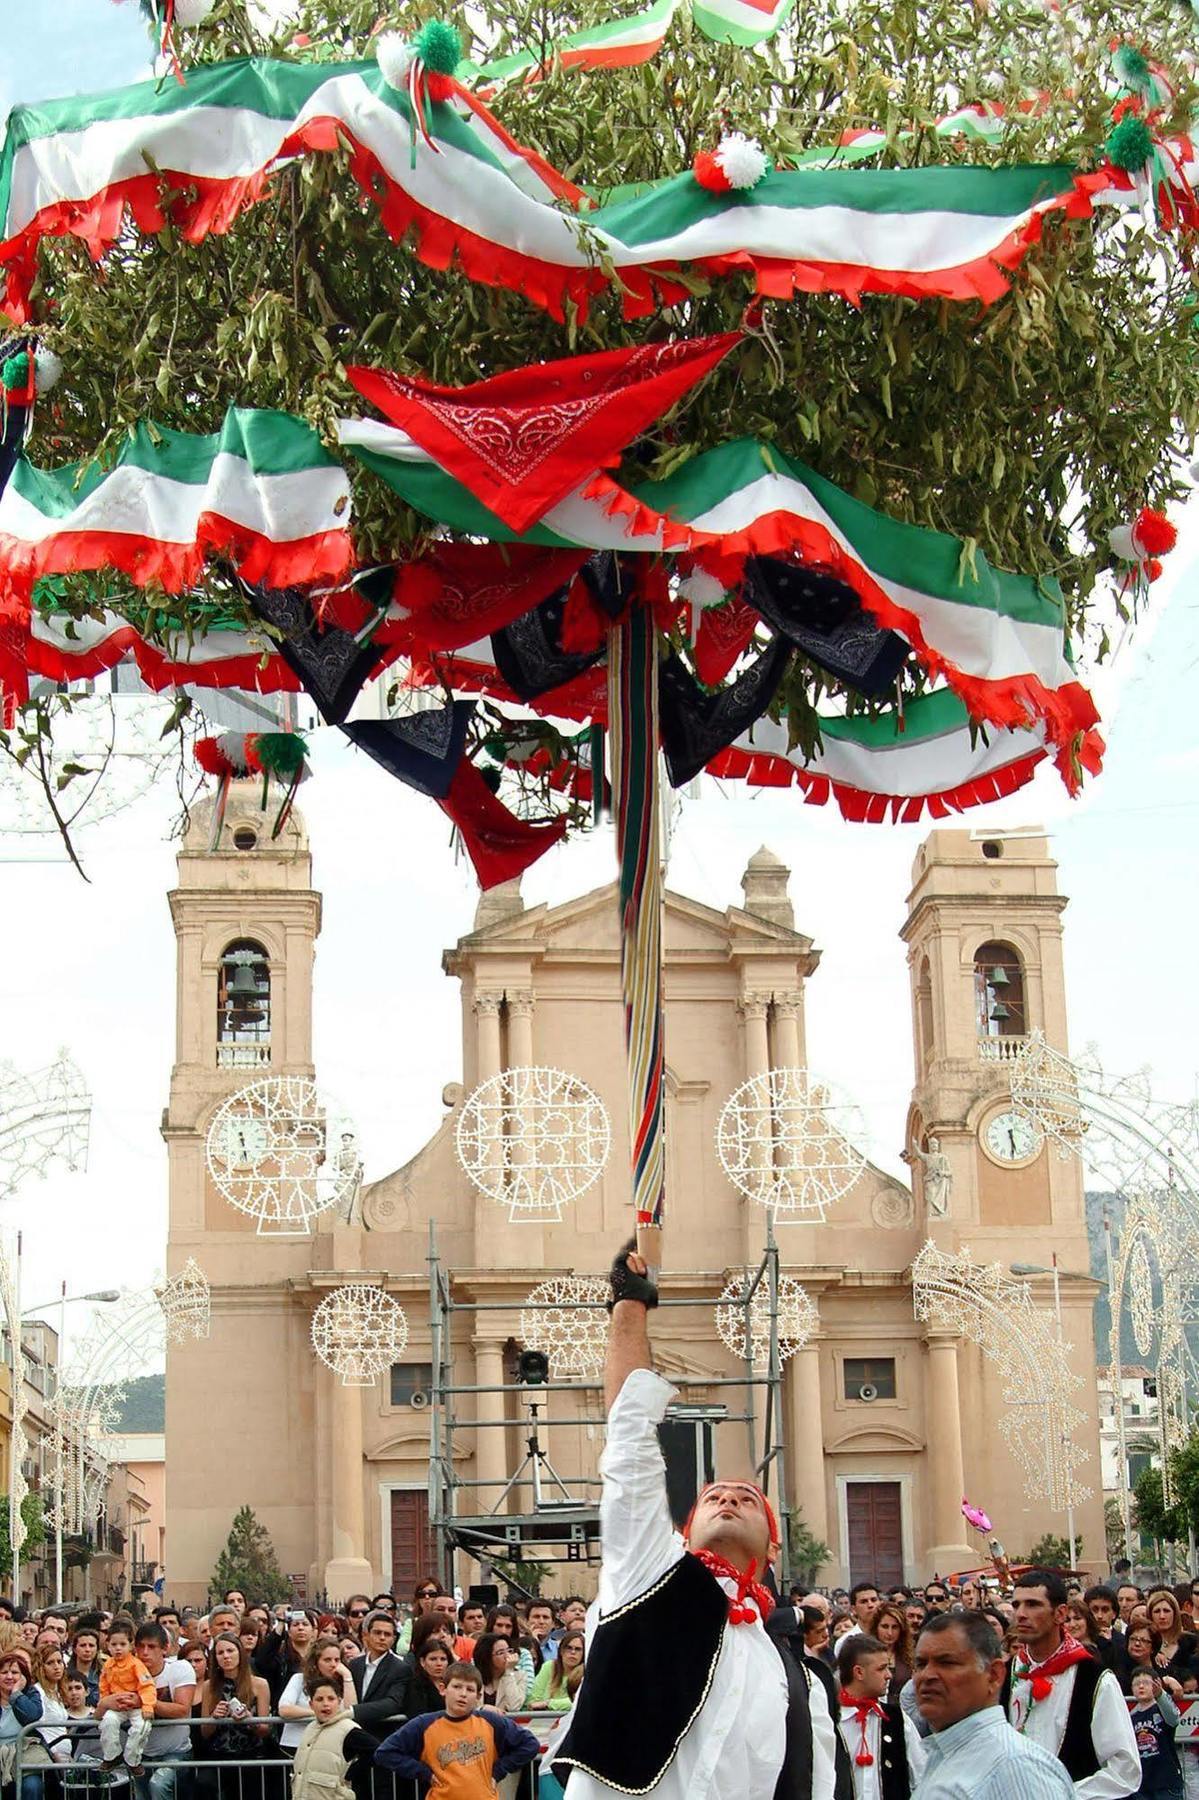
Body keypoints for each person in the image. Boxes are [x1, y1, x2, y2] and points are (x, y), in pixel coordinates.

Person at [551, 1238, 837, 1800]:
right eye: (714, 1497)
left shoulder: (799, 1678)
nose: (729, 1499)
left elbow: (817, 1783)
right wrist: (629, 1307)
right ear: (683, 1533)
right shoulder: (648, 1573)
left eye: (747, 1498)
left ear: (773, 1550)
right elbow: (630, 1436)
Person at [1003, 1568, 1139, 1795]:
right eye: (1016, 1605)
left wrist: (1063, 1794)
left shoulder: (1095, 1679)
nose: (1021, 1614)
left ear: (1060, 1614)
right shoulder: (1003, 1677)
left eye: (1033, 1605)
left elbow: (1125, 1769)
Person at [912, 1612, 1074, 1800]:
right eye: (921, 1664)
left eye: (947, 1663)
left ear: (994, 1675)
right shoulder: (941, 1754)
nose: (927, 1675)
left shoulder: (1015, 1767)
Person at [374, 1660, 539, 1797]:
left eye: (470, 1689)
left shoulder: (491, 1722)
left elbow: (530, 1744)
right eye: (457, 1687)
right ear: (443, 1689)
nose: (463, 1694)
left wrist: (498, 1771)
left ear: (478, 1696)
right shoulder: (423, 1724)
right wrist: (423, 1772)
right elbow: (385, 1752)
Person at [837, 1635, 925, 1800]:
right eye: (881, 1668)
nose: (888, 1675)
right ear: (859, 1672)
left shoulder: (897, 1719)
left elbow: (921, 1776)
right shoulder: (831, 1721)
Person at [195, 1633, 270, 1800]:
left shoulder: (259, 1684)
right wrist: (214, 1718)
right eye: (220, 1653)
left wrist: (250, 1720)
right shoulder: (209, 1686)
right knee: (204, 1784)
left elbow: (265, 1730)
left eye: (230, 1650)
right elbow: (204, 1732)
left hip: (250, 1755)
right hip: (219, 1756)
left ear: (240, 1654)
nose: (226, 1656)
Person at [132, 1620, 196, 1800]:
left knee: (158, 1785)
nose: (145, 1652)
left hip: (176, 1752)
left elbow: (182, 1709)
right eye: (141, 1646)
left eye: (151, 1646)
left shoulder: (179, 1668)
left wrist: (145, 1701)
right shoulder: (128, 1673)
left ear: (165, 1648)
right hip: (140, 1752)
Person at [291, 1676, 375, 1800]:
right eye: (319, 1699)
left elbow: (377, 1750)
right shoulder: (310, 1728)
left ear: (339, 1702)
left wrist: (349, 1775)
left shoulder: (348, 1729)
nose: (326, 1704)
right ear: (311, 1704)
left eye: (331, 1699)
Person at [98, 1615, 156, 1775]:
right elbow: (103, 1686)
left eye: (122, 1644)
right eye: (114, 1644)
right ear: (107, 1645)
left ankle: (133, 1760)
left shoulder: (136, 1664)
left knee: (142, 1727)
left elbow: (147, 1685)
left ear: (131, 1646)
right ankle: (112, 1756)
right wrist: (105, 1702)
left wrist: (147, 1705)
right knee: (108, 1722)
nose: (118, 1648)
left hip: (135, 1704)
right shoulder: (108, 1665)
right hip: (117, 1705)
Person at [280, 1639, 356, 1755]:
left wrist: (347, 1676)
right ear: (316, 1662)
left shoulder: (345, 1683)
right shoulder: (299, 1679)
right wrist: (318, 1713)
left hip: (329, 1748)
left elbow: (350, 1711)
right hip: (295, 1746)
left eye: (337, 1660)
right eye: (327, 1660)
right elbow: (284, 1709)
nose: (333, 1664)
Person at [347, 1610, 408, 1740]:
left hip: (382, 1736)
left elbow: (393, 1703)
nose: (382, 1638)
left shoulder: (400, 1668)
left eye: (387, 1634)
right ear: (366, 1635)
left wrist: (353, 1711)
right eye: (377, 1632)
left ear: (394, 1639)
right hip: (352, 1734)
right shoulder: (354, 1664)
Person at [1127, 1671, 1185, 1800]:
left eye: (1146, 1683)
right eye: (1136, 1684)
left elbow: (1174, 1718)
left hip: (1166, 1782)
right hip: (1142, 1784)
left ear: (1156, 1684)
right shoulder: (1130, 1717)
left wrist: (1160, 1695)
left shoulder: (1162, 1709)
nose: (1141, 1686)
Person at [528, 1632, 584, 1713]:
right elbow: (533, 1700)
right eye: (569, 1648)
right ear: (561, 1651)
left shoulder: (586, 1672)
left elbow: (578, 1701)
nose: (573, 1652)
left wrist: (548, 1704)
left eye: (578, 1649)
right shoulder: (549, 1666)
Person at [471, 1635, 526, 1714]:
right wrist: (482, 1708)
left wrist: (509, 1671)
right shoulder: (473, 1677)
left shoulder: (520, 1676)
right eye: (500, 1653)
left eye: (509, 1651)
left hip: (504, 1724)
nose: (507, 1656)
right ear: (487, 1657)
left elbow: (514, 1707)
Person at [871, 1608, 914, 1703]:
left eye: (895, 1627)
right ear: (876, 1627)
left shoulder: (908, 1656)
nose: (889, 1633)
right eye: (885, 1626)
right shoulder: (867, 1654)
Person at [400, 1642, 451, 1720]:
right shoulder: (414, 1685)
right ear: (422, 1662)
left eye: (443, 1659)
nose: (439, 1664)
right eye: (433, 1659)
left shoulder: (453, 1684)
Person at [1146, 1596, 1197, 1672]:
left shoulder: (1192, 1642)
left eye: (1166, 1611)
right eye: (1157, 1611)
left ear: (1175, 1613)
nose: (1162, 1616)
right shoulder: (1144, 1643)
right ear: (1150, 1615)